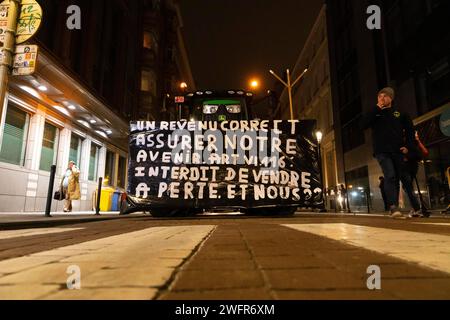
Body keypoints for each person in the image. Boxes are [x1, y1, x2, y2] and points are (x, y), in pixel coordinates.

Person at [360, 87, 416, 219]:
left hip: (397, 151)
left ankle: (401, 207)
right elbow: (362, 125)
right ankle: (392, 206)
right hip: (381, 151)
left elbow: (410, 131)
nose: (382, 98)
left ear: (391, 98)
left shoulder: (400, 113)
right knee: (390, 175)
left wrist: (408, 147)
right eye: (379, 96)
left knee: (398, 178)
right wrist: (376, 108)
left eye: (385, 96)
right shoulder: (375, 113)